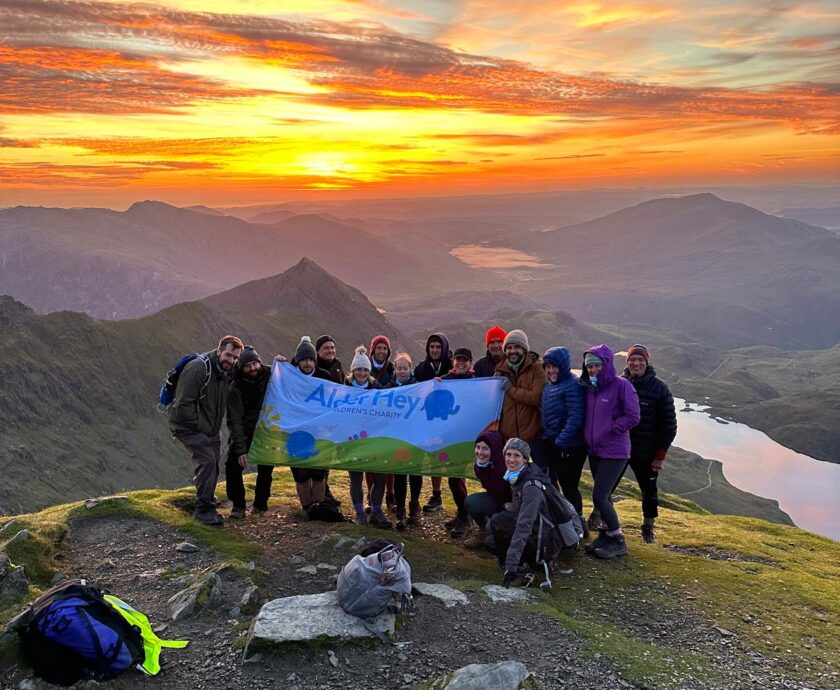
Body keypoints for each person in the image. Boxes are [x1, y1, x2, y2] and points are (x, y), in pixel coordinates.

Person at [169, 335, 243, 526]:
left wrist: (280, 364)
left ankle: (207, 500)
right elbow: (183, 405)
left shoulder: (225, 371)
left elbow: (256, 369)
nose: (231, 361)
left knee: (214, 464)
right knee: (207, 462)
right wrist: (203, 428)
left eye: (235, 357)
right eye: (228, 355)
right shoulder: (198, 368)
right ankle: (203, 511)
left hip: (209, 428)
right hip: (188, 426)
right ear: (218, 351)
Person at [580, 344, 640, 559]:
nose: (593, 370)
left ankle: (617, 539)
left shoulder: (621, 386)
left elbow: (633, 416)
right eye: (589, 367)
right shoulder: (591, 388)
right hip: (595, 450)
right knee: (604, 497)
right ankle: (605, 535)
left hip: (615, 451)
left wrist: (611, 428)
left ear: (606, 365)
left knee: (600, 496)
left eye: (596, 365)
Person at [618, 344, 677, 543]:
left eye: (640, 360)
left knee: (649, 491)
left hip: (646, 451)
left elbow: (669, 424)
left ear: (646, 362)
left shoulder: (659, 388)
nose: (636, 363)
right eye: (632, 360)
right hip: (619, 448)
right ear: (627, 362)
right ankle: (599, 518)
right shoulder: (619, 383)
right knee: (606, 486)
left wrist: (660, 456)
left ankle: (648, 526)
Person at [489, 438, 558, 587]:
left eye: (516, 455)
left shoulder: (531, 486)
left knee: (497, 522)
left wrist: (511, 564)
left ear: (525, 460)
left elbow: (524, 525)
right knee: (491, 539)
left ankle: (530, 565)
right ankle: (521, 562)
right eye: (508, 454)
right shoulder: (518, 476)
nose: (511, 459)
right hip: (536, 533)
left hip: (543, 542)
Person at [541, 347, 588, 536]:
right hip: (554, 444)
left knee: (569, 488)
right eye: (548, 367)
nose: (551, 371)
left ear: (564, 366)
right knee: (558, 485)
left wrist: (560, 441)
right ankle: (570, 524)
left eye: (555, 367)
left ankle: (577, 526)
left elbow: (576, 417)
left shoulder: (573, 385)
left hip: (570, 447)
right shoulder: (550, 386)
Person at [225, 346, 274, 518]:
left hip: (267, 432)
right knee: (232, 467)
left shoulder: (271, 375)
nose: (253, 368)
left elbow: (293, 377)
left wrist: (286, 363)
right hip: (244, 433)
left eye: (255, 363)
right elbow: (235, 420)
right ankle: (238, 506)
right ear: (241, 367)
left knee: (266, 468)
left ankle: (261, 504)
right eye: (248, 365)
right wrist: (240, 449)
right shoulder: (235, 387)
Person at [345, 346, 391, 529]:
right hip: (352, 441)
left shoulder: (377, 388)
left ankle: (376, 510)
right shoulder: (344, 387)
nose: (362, 373)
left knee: (380, 477)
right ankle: (359, 513)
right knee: (356, 478)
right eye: (358, 369)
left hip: (374, 441)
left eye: (365, 369)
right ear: (353, 370)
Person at [289, 336, 333, 512]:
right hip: (296, 432)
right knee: (300, 475)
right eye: (303, 360)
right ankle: (307, 508)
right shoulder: (289, 377)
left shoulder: (325, 376)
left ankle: (319, 506)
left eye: (310, 359)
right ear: (298, 361)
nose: (307, 363)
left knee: (318, 473)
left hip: (319, 432)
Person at [414, 333, 453, 512]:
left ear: (444, 348)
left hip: (447, 422)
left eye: (438, 347)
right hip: (425, 421)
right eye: (432, 347)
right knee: (423, 457)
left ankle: (437, 494)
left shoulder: (452, 367)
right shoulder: (421, 368)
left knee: (439, 457)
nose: (435, 350)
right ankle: (415, 498)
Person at [495, 329, 547, 465]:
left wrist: (511, 389)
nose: (513, 351)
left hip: (534, 436)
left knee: (544, 476)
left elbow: (537, 397)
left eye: (517, 347)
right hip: (508, 438)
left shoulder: (537, 368)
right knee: (511, 480)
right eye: (509, 348)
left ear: (524, 349)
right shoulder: (499, 371)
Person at [440, 347, 475, 538]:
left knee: (458, 476)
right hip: (451, 437)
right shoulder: (445, 379)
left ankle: (466, 516)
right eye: (458, 360)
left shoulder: (477, 381)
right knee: (453, 477)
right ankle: (462, 513)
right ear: (453, 361)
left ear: (470, 362)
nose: (461, 363)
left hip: (469, 437)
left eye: (465, 360)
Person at [388, 352, 423, 530]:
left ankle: (414, 508)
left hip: (416, 437)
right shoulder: (388, 388)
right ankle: (401, 512)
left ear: (411, 369)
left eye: (405, 368)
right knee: (400, 475)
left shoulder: (420, 387)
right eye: (399, 368)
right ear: (394, 369)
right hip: (398, 440)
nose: (402, 371)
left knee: (416, 473)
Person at [463, 430, 510, 550]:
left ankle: (504, 541)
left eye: (485, 448)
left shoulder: (505, 468)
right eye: (478, 447)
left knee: (492, 526)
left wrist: (503, 509)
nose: (480, 452)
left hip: (511, 507)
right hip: (496, 500)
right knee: (470, 502)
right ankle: (484, 533)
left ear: (494, 449)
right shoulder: (480, 466)